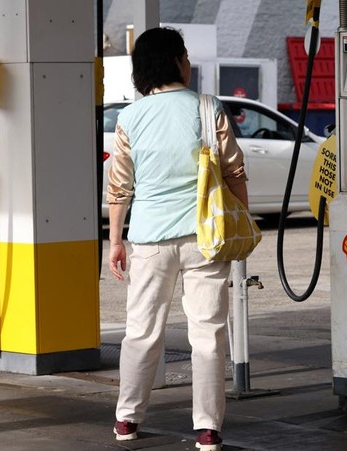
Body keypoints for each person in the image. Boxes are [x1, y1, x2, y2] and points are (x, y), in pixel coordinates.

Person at [107, 27, 247, 451]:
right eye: (184, 56)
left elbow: (119, 188)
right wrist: (237, 225)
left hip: (149, 241)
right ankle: (207, 429)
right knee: (207, 336)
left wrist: (116, 240)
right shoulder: (208, 108)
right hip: (204, 237)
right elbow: (235, 173)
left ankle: (127, 419)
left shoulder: (130, 118)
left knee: (141, 333)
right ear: (177, 62)